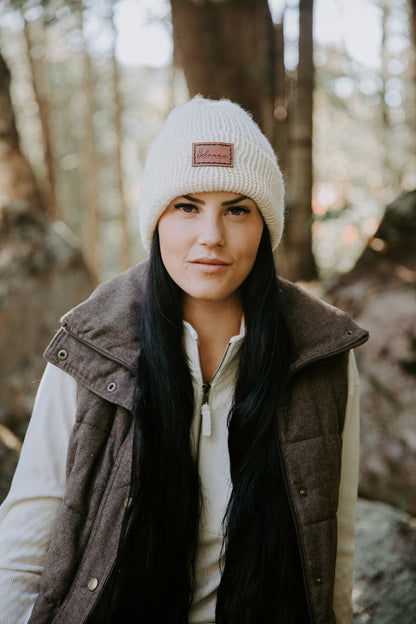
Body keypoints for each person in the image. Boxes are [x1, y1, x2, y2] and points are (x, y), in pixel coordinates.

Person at [0, 97, 368, 624]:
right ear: (157, 223)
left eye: (237, 209)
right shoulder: (92, 346)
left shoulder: (320, 352)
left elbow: (333, 550)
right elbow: (20, 555)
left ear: (265, 227)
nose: (211, 237)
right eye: (187, 206)